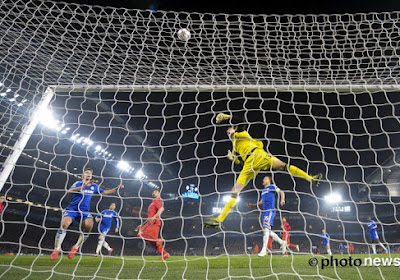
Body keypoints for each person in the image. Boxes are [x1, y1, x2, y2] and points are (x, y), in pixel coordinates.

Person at [204, 113, 322, 229]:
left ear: (234, 129)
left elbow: (241, 121)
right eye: (227, 132)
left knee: (283, 166)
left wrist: (226, 117)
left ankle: (311, 178)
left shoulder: (240, 133)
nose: (228, 132)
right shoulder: (235, 148)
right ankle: (219, 220)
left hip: (258, 154)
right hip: (249, 165)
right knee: (235, 190)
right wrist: (234, 160)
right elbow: (241, 165)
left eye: (229, 129)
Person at [50, 168, 124, 260]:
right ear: (83, 175)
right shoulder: (78, 183)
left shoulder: (94, 186)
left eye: (90, 173)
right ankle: (56, 249)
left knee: (89, 226)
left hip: (84, 211)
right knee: (65, 224)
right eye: (87, 173)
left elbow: (105, 192)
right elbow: (69, 191)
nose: (89, 174)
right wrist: (84, 186)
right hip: (72, 209)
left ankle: (75, 247)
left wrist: (117, 188)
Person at [247, 175, 287, 257]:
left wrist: (282, 199)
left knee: (266, 229)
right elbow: (261, 202)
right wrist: (253, 205)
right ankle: (282, 242)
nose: (263, 180)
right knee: (267, 230)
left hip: (270, 210)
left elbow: (281, 192)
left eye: (265, 179)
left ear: (269, 180)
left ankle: (264, 250)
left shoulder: (272, 186)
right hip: (264, 212)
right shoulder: (263, 191)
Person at [136, 189, 169, 260]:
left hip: (154, 222)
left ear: (159, 194)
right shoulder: (152, 202)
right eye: (153, 192)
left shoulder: (157, 201)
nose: (154, 193)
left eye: (156, 192)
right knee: (153, 243)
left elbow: (162, 209)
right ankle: (165, 253)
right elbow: (149, 217)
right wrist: (142, 224)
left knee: (140, 234)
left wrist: (154, 217)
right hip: (152, 222)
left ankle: (158, 240)